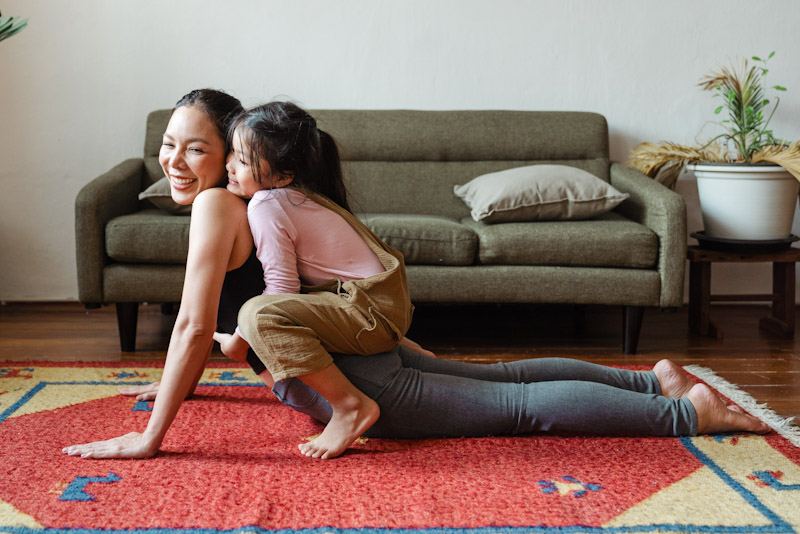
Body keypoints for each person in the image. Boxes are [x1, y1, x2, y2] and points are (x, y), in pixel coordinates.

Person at [61, 91, 770, 462]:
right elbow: (259, 312)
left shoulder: (224, 204)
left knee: (517, 410)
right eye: (166, 147)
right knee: (508, 381)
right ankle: (655, 381)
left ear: (237, 154)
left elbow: (201, 322)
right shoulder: (267, 201)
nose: (176, 163)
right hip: (358, 345)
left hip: (358, 379)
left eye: (197, 149)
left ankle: (684, 412)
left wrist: (151, 435)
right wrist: (186, 375)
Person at [211, 102, 415, 459]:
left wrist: (237, 342)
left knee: (257, 314)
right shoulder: (296, 196)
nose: (229, 165)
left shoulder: (266, 204)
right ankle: (406, 348)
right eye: (233, 152)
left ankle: (350, 407)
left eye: (243, 161)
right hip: (381, 309)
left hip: (371, 316)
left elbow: (281, 290)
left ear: (284, 175)